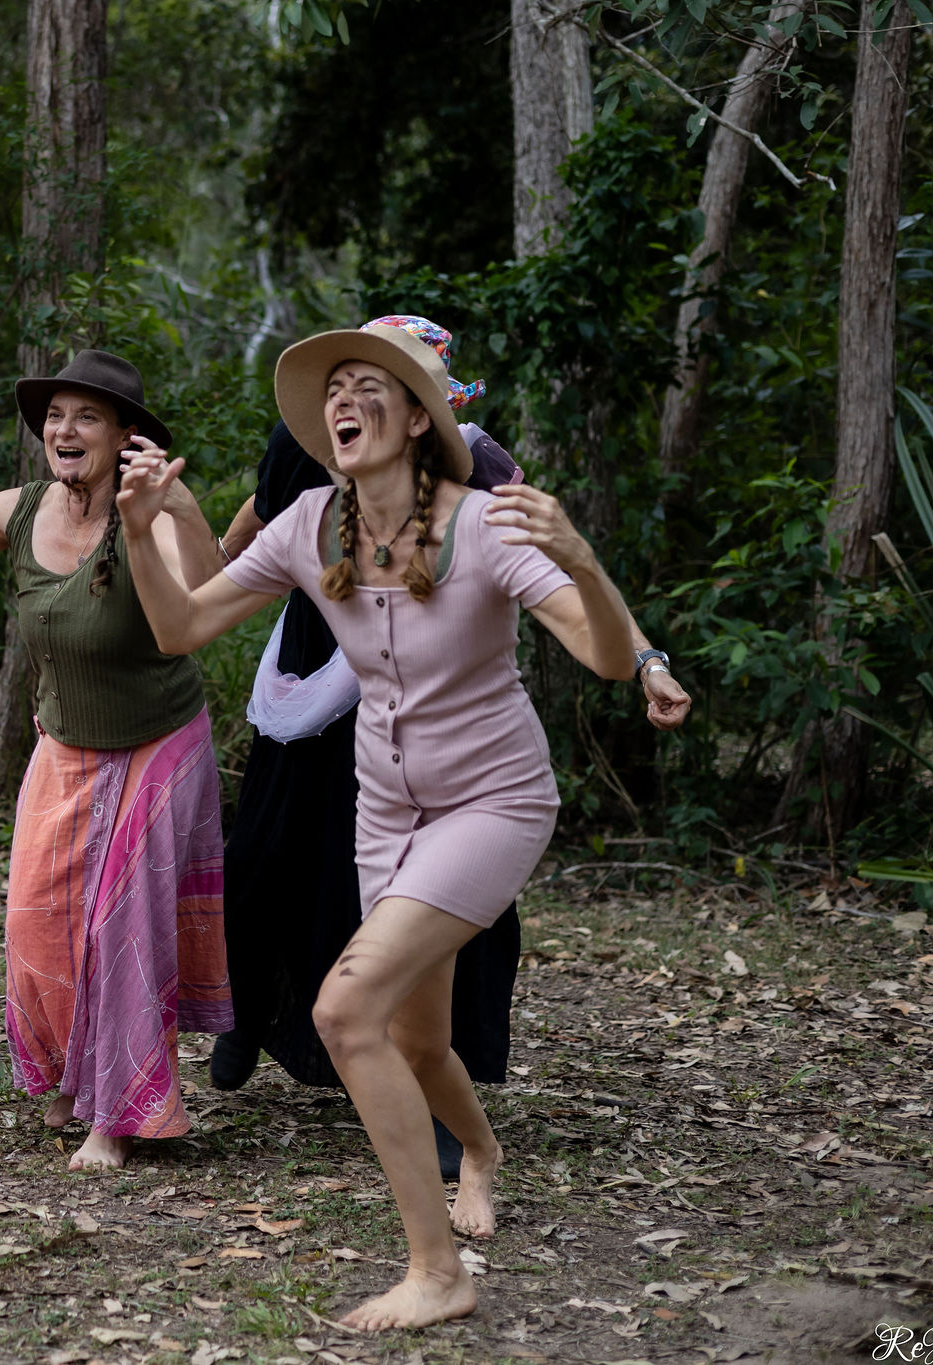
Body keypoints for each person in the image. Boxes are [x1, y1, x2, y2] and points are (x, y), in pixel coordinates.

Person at [118, 315, 646, 1329]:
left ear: (415, 420)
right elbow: (180, 626)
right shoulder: (309, 524)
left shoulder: (482, 525)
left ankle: (437, 1272)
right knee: (416, 1040)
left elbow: (608, 657)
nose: (343, 402)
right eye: (334, 391)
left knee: (345, 1008)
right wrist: (142, 533)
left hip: (492, 800)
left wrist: (583, 561)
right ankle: (480, 1152)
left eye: (370, 388)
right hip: (386, 807)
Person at [212, 419, 692, 1183]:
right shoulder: (310, 453)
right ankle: (252, 1014)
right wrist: (203, 550)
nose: (350, 398)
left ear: (423, 405)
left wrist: (646, 660)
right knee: (264, 862)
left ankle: (440, 1106)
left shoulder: (474, 468)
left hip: (451, 736)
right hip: (320, 688)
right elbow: (253, 523)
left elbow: (562, 581)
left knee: (423, 927)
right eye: (341, 382)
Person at [0, 349, 232, 1171]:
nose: (64, 430)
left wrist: (180, 508)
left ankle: (119, 1113)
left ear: (126, 436)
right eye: (55, 416)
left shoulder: (150, 514)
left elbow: (207, 603)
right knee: (39, 918)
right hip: (65, 738)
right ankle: (74, 1073)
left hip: (157, 738)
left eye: (87, 417)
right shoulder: (26, 506)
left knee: (121, 926)